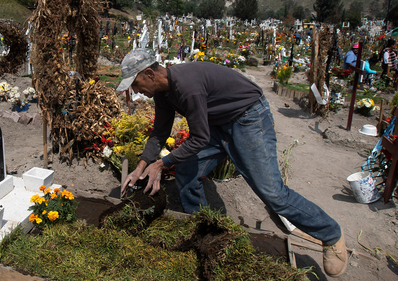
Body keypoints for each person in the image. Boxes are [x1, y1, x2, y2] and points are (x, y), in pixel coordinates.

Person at [116, 48, 348, 277]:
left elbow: (199, 139)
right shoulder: (163, 93)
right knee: (187, 170)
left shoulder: (187, 86)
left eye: (135, 84)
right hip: (218, 123)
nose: (135, 91)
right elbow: (159, 132)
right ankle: (204, 233)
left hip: (248, 117)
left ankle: (330, 235)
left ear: (149, 74)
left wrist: (162, 164)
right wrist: (142, 166)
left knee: (272, 193)